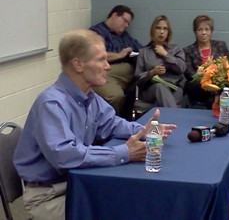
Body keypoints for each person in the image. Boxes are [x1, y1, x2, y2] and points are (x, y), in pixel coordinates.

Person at [13, 29, 177, 220]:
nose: (108, 66)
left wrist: (143, 131)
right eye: (101, 60)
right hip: (50, 195)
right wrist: (124, 152)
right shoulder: (52, 104)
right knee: (122, 210)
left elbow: (113, 124)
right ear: (78, 65)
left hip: (78, 182)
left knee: (134, 200)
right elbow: (65, 155)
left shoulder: (89, 97)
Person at [89, 5, 143, 119]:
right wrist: (119, 55)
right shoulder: (96, 32)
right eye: (125, 21)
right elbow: (94, 55)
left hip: (126, 75)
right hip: (107, 72)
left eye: (128, 23)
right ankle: (110, 124)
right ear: (114, 15)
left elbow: (141, 49)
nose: (126, 25)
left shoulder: (124, 36)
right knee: (114, 96)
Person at [135, 15, 186, 108]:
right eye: (158, 28)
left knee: (164, 99)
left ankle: (164, 116)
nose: (161, 32)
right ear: (153, 31)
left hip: (173, 89)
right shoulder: (144, 52)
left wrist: (166, 55)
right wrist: (152, 72)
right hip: (151, 90)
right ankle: (174, 119)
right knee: (160, 87)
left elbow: (182, 68)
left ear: (168, 32)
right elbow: (138, 78)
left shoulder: (176, 49)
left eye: (165, 29)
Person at [184, 15, 229, 108]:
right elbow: (190, 75)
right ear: (195, 32)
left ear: (211, 31)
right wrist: (208, 84)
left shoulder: (221, 46)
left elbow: (227, 67)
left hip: (219, 90)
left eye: (207, 29)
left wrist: (217, 82)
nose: (204, 33)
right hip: (199, 91)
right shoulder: (188, 50)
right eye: (200, 30)